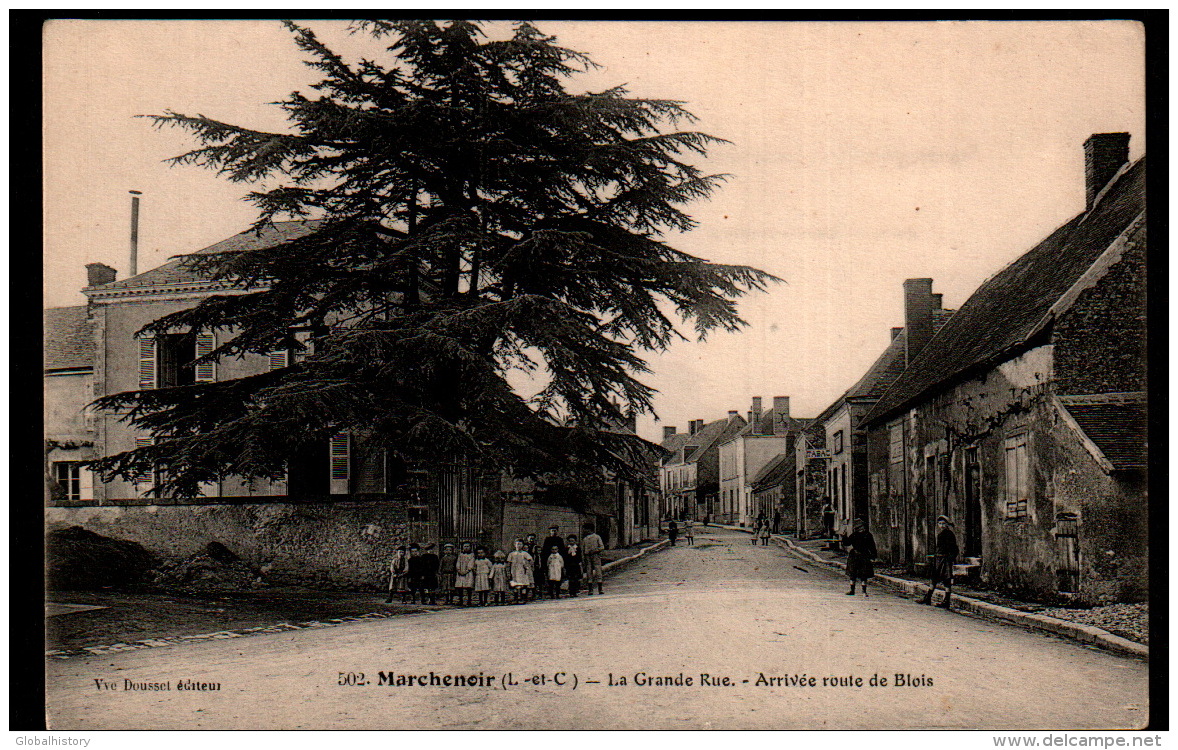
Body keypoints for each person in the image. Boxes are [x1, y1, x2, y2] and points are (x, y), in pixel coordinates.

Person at [921, 516, 959, 609]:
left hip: (945, 559)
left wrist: (950, 558)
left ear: (947, 524)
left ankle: (946, 601)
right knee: (934, 578)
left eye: (943, 523)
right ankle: (928, 597)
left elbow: (954, 548)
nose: (941, 525)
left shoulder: (949, 534)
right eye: (940, 523)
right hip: (938, 558)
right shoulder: (940, 534)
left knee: (946, 579)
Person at [844, 519, 878, 596]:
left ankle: (864, 591)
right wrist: (844, 537)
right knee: (852, 573)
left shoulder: (868, 535)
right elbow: (847, 543)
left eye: (863, 527)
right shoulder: (854, 535)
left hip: (864, 555)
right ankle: (852, 590)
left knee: (864, 574)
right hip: (855, 555)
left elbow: (872, 546)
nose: (862, 528)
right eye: (860, 527)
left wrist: (873, 555)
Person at [506, 539, 534, 604]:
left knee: (523, 584)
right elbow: (508, 563)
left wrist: (527, 566)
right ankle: (516, 598)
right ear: (515, 545)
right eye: (517, 544)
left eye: (520, 544)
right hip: (514, 571)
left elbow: (531, 560)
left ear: (523, 545)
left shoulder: (525, 553)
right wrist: (508, 571)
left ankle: (522, 598)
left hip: (522, 571)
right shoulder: (512, 554)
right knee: (515, 584)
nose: (519, 545)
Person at [581, 524, 605, 595]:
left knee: (598, 570)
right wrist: (583, 558)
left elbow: (602, 547)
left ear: (590, 530)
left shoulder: (597, 537)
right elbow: (583, 549)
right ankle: (590, 589)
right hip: (587, 556)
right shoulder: (585, 539)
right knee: (589, 571)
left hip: (595, 556)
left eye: (585, 529)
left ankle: (600, 589)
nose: (584, 531)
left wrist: (596, 550)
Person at [454, 541, 475, 606]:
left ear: (470, 547)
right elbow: (458, 562)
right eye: (465, 546)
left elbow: (471, 563)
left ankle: (469, 601)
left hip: (468, 573)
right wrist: (459, 570)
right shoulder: (460, 555)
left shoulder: (472, 555)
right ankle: (461, 600)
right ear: (462, 547)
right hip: (460, 572)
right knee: (460, 587)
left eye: (468, 546)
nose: (466, 548)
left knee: (468, 587)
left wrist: (467, 570)